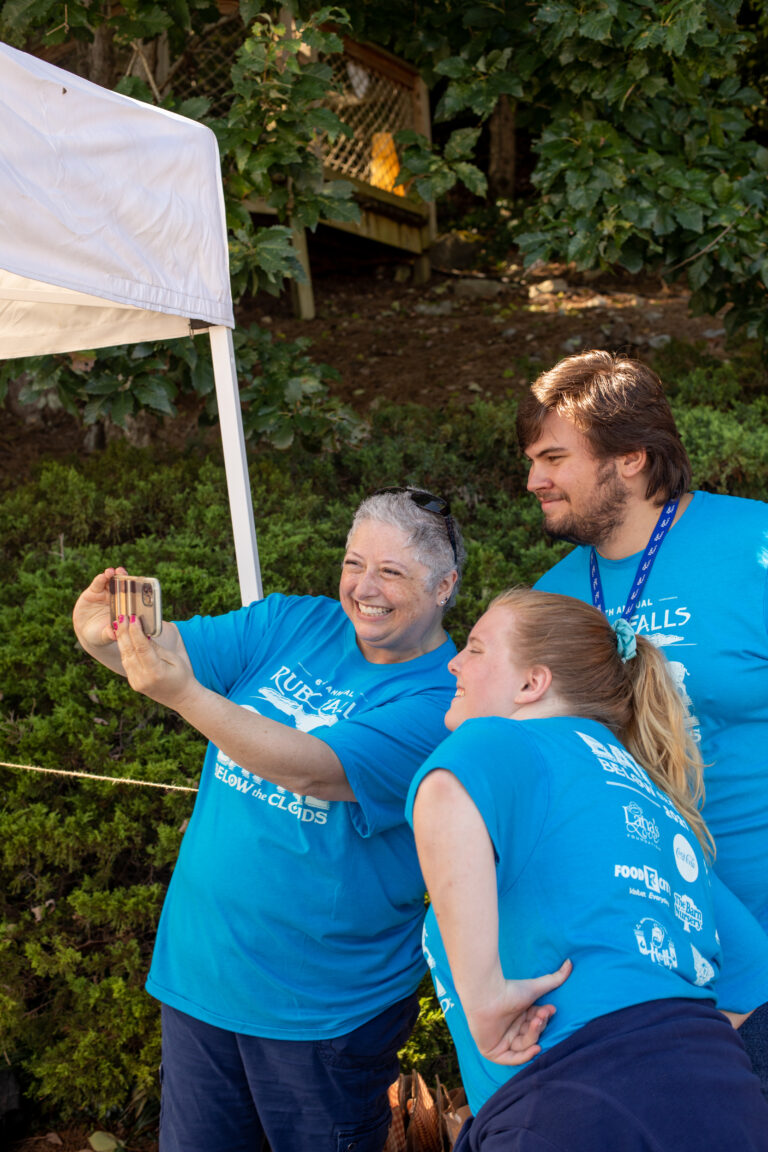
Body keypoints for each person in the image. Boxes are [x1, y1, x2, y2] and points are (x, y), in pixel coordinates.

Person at [72, 487, 464, 1152]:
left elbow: (313, 766)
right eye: (353, 563)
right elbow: (167, 656)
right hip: (203, 974)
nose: (364, 588)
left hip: (323, 1012)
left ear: (445, 585)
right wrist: (104, 637)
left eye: (391, 572)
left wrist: (186, 696)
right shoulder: (292, 622)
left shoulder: (445, 698)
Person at [407, 589, 768, 1150]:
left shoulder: (504, 736)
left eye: (476, 649)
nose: (454, 661)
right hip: (724, 1100)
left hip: (570, 1102)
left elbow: (445, 791)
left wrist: (485, 1001)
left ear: (532, 684)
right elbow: (754, 985)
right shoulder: (657, 805)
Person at [518, 349, 768, 1089]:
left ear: (630, 457)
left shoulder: (754, 547)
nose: (534, 480)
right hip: (644, 953)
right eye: (532, 459)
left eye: (555, 457)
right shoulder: (553, 599)